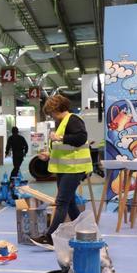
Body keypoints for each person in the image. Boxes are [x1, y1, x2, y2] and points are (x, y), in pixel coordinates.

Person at [30, 95, 93, 250]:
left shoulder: (73, 120)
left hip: (74, 169)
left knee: (62, 202)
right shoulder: (61, 123)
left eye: (51, 112)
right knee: (70, 203)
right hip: (65, 169)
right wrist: (49, 155)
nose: (51, 115)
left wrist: (61, 137)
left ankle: (50, 237)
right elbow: (63, 147)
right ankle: (84, 232)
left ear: (57, 109)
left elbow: (81, 138)